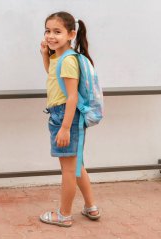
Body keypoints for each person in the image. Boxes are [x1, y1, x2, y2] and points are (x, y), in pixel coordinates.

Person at [39, 11, 100, 227]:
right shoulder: (60, 58)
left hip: (65, 117)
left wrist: (64, 128)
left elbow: (72, 96)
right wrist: (45, 55)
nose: (51, 36)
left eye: (57, 32)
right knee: (76, 165)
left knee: (67, 170)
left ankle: (63, 215)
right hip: (63, 115)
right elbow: (54, 77)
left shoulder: (68, 61)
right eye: (47, 31)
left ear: (71, 34)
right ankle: (91, 206)